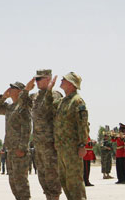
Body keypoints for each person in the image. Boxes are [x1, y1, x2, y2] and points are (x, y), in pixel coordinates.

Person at [46, 72, 89, 200]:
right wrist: (49, 89)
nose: (61, 81)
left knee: (74, 182)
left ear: (71, 84)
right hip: (62, 148)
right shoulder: (63, 101)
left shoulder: (77, 101)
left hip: (72, 148)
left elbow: (83, 124)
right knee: (65, 181)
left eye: (64, 79)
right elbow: (49, 105)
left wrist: (82, 144)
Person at [21, 69, 62, 200]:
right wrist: (26, 90)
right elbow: (21, 104)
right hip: (38, 143)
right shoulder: (34, 96)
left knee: (52, 178)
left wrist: (49, 90)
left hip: (50, 143)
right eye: (36, 79)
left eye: (40, 79)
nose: (37, 81)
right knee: (42, 177)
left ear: (48, 79)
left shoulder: (55, 95)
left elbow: (48, 110)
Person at [0, 81, 32, 200]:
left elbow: (26, 129)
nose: (10, 89)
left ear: (20, 91)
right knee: (13, 181)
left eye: (13, 88)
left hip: (19, 150)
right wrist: (3, 97)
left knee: (21, 181)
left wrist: (22, 147)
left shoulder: (23, 107)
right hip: (10, 150)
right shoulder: (9, 107)